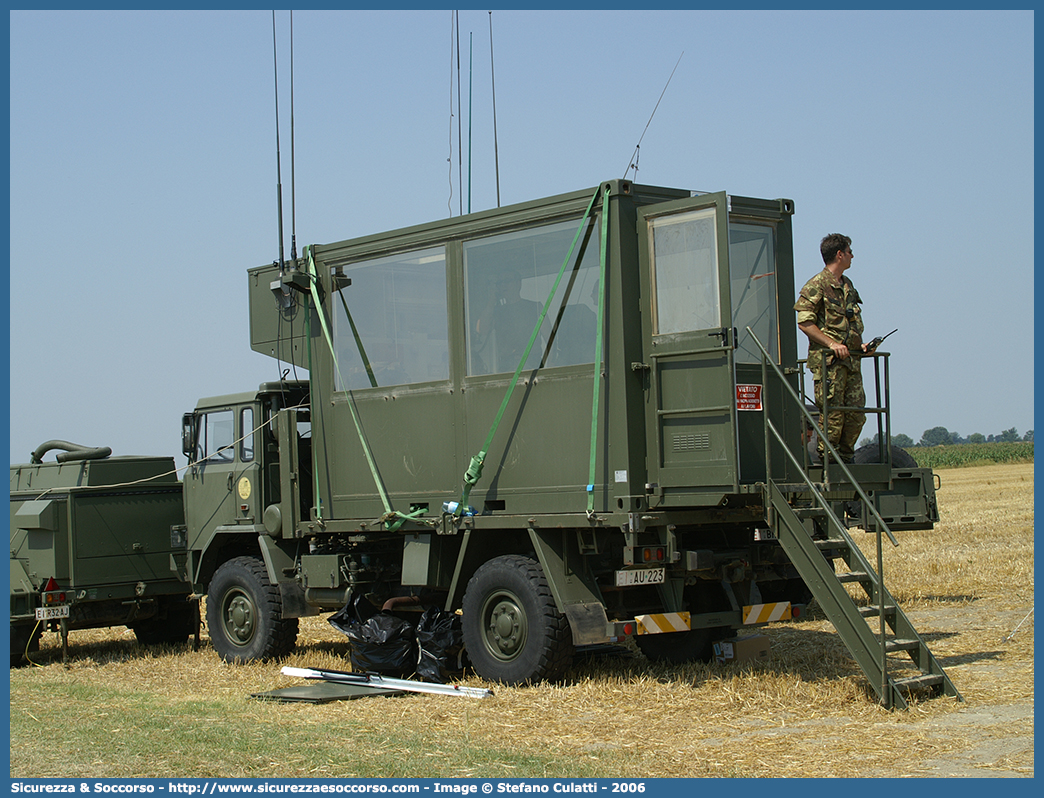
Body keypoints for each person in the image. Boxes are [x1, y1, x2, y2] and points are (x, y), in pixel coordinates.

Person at [793, 233, 866, 463]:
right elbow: (804, 322)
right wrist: (832, 344)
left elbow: (850, 323)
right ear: (839, 254)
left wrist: (860, 346)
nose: (852, 256)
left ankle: (846, 458)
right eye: (850, 251)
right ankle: (829, 461)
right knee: (833, 415)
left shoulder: (848, 286)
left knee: (855, 415)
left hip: (852, 361)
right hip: (830, 364)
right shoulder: (816, 285)